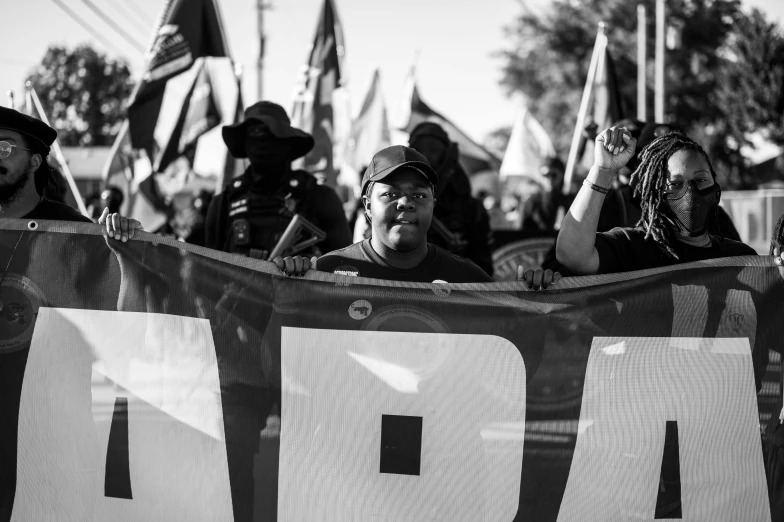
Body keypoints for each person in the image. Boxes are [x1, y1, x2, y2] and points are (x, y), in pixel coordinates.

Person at [274, 145, 559, 290]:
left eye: (419, 195)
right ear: (367, 206)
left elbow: (517, 362)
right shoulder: (325, 272)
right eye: (390, 194)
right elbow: (280, 358)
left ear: (433, 204)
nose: (405, 203)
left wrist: (535, 298)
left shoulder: (467, 279)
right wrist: (286, 291)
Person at [556, 126, 756, 275]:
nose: (690, 192)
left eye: (701, 179)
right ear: (654, 195)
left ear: (715, 185)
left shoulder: (741, 258)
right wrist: (602, 170)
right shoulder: (633, 248)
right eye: (675, 184)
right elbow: (572, 254)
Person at [204, 101, 351, 259]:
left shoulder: (320, 198)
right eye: (254, 133)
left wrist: (309, 269)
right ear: (245, 144)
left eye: (271, 134)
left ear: (288, 143)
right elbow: (209, 272)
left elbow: (346, 269)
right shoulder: (223, 203)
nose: (262, 142)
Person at [407, 122, 494, 276]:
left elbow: (483, 270)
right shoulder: (396, 202)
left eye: (433, 150)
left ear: (446, 155)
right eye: (419, 149)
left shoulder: (471, 208)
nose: (426, 156)